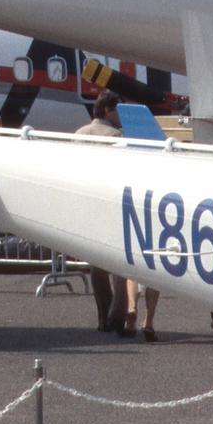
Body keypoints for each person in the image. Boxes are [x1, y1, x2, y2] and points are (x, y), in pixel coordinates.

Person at [76, 93, 128, 334]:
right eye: (119, 110)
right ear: (108, 110)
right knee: (119, 264)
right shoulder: (115, 137)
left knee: (96, 264)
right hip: (111, 204)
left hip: (87, 205)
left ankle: (102, 316)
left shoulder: (79, 134)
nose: (122, 116)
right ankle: (117, 315)